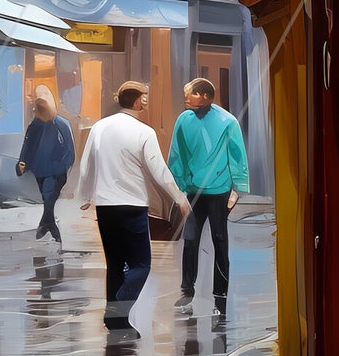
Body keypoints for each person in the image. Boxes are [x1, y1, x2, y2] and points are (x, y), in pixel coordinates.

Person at [76, 81, 190, 334]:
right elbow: (159, 170)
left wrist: (84, 195)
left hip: (105, 206)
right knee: (141, 265)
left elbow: (87, 164)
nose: (147, 101)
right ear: (137, 101)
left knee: (115, 263)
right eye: (145, 97)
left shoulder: (99, 127)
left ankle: (116, 320)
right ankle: (117, 311)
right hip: (133, 205)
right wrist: (179, 198)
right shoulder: (144, 132)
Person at [168, 76, 249, 313]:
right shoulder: (183, 120)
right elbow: (177, 154)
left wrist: (237, 191)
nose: (185, 98)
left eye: (190, 94)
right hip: (193, 191)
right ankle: (186, 289)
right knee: (190, 239)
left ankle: (220, 294)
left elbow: (237, 156)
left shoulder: (227, 121)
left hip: (219, 192)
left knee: (219, 240)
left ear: (204, 96)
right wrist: (180, 187)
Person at [17, 86, 75, 244]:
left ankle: (46, 225)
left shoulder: (61, 124)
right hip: (40, 169)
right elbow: (27, 145)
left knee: (49, 196)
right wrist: (22, 162)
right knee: (47, 197)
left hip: (56, 170)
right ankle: (48, 224)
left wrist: (64, 164)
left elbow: (69, 149)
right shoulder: (35, 125)